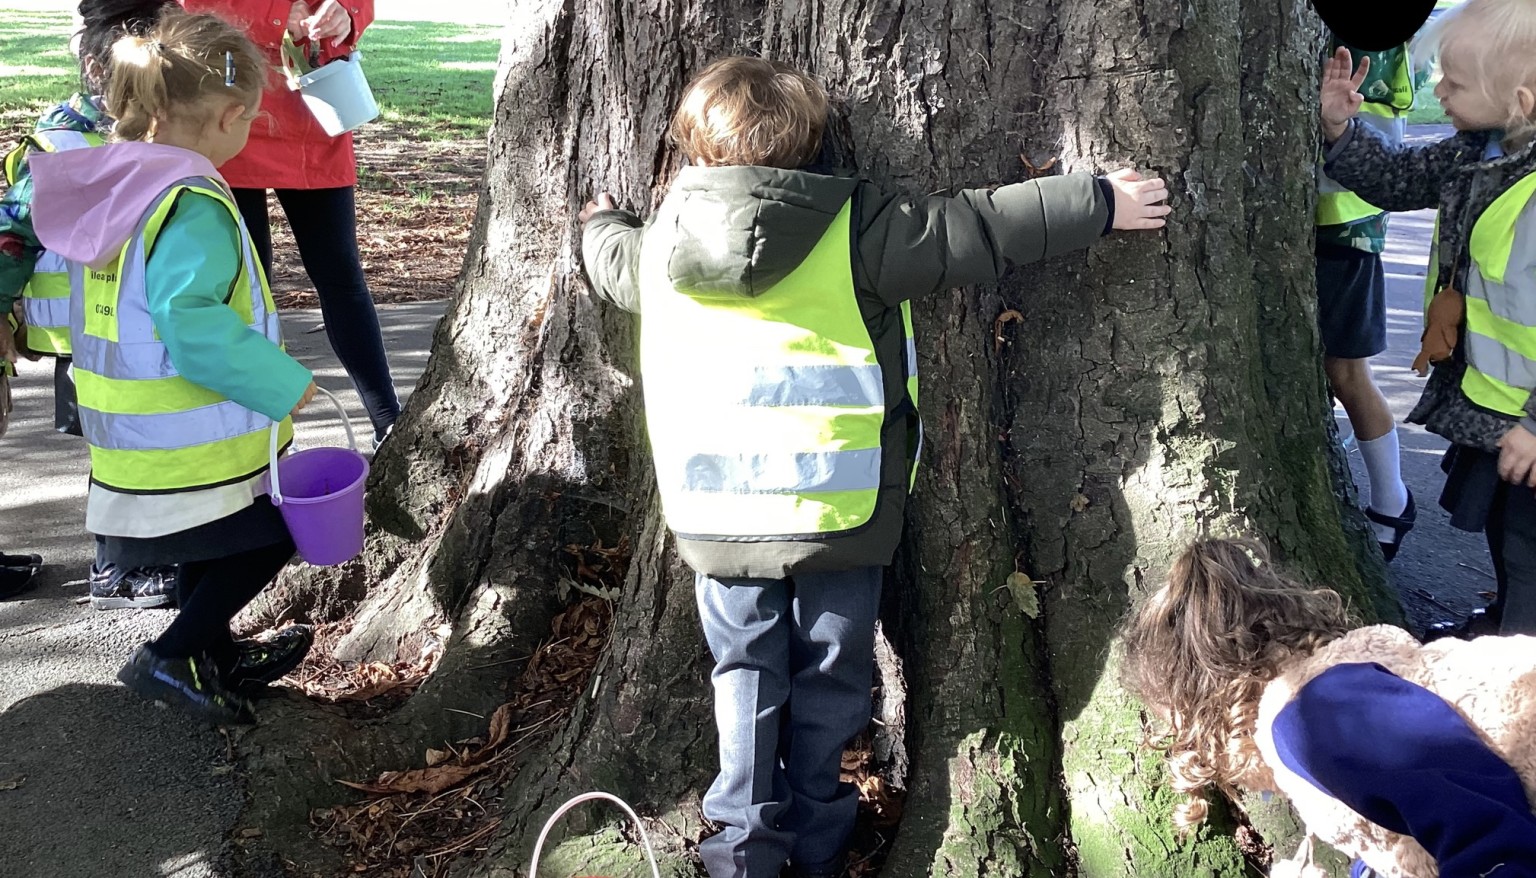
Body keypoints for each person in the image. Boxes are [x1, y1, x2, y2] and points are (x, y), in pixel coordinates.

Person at [577, 56, 1171, 878]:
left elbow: (612, 264)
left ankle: (741, 844)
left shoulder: (663, 244)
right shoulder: (856, 228)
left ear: (694, 151)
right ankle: (821, 843)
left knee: (744, 672)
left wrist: (599, 223)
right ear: (815, 145)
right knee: (832, 677)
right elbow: (980, 227)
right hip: (839, 514)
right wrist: (1099, 200)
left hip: (718, 516)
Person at [30, 10, 319, 724]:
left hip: (133, 450)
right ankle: (172, 653)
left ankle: (211, 653)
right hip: (185, 448)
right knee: (279, 532)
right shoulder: (192, 205)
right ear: (227, 117)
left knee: (212, 540)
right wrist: (284, 386)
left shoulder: (119, 187)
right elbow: (191, 329)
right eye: (249, 121)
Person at [1120, 538, 1536, 877]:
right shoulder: (1338, 690)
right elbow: (1405, 829)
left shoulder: (1313, 718)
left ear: (1211, 711)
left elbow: (1497, 844)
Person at [1321, 0, 1536, 636]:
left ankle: (1518, 669)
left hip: (1525, 414)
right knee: (1505, 531)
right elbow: (1396, 177)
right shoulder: (1476, 151)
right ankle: (1505, 621)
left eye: (1455, 83)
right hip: (1493, 402)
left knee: (1529, 547)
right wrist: (1340, 131)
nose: (1437, 91)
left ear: (1520, 99)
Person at [1, 0, 183, 611]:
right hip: (89, 339)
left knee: (140, 443)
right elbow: (12, 237)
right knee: (114, 448)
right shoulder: (60, 143)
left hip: (139, 333)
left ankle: (143, 556)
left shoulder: (158, 134)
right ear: (96, 67)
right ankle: (116, 568)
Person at [177, 0, 400, 447]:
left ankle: (390, 424)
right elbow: (190, 8)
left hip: (315, 106)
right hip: (229, 104)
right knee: (243, 281)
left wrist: (347, 13)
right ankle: (262, 434)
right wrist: (279, 16)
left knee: (340, 275)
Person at [1314, 38, 1421, 562]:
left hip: (1346, 228)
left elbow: (1383, 143)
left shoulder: (1373, 41)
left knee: (1347, 372)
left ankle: (1391, 500)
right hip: (1321, 223)